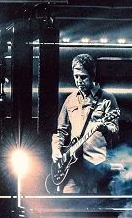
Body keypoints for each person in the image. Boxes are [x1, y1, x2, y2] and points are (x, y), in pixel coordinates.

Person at [50, 53, 121, 194]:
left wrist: (104, 127)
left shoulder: (107, 99)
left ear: (92, 75)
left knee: (95, 204)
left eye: (83, 77)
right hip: (72, 165)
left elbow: (115, 129)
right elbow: (61, 130)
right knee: (70, 202)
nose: (79, 81)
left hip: (97, 163)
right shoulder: (70, 100)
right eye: (76, 76)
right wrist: (56, 150)